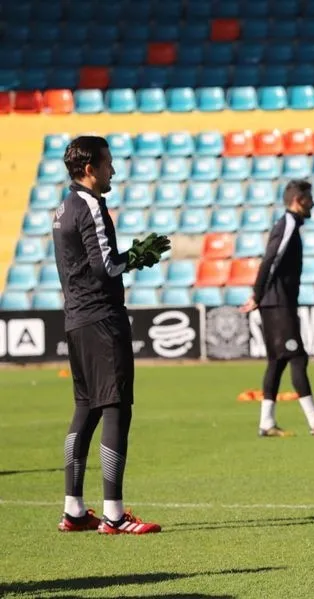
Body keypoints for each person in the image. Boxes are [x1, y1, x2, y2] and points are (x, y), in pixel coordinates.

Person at [54, 136, 168, 534]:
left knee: (85, 408)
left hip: (76, 319)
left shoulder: (63, 207)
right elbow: (105, 267)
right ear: (90, 168)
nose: (112, 171)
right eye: (107, 164)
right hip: (102, 319)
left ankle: (73, 509)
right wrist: (136, 258)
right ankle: (115, 515)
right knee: (117, 406)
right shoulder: (89, 205)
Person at [240, 180, 314, 438]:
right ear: (298, 200)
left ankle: (266, 422)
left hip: (277, 302)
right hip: (277, 304)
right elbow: (270, 260)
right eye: (310, 198)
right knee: (297, 357)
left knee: (277, 361)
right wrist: (257, 294)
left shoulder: (291, 225)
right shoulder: (286, 224)